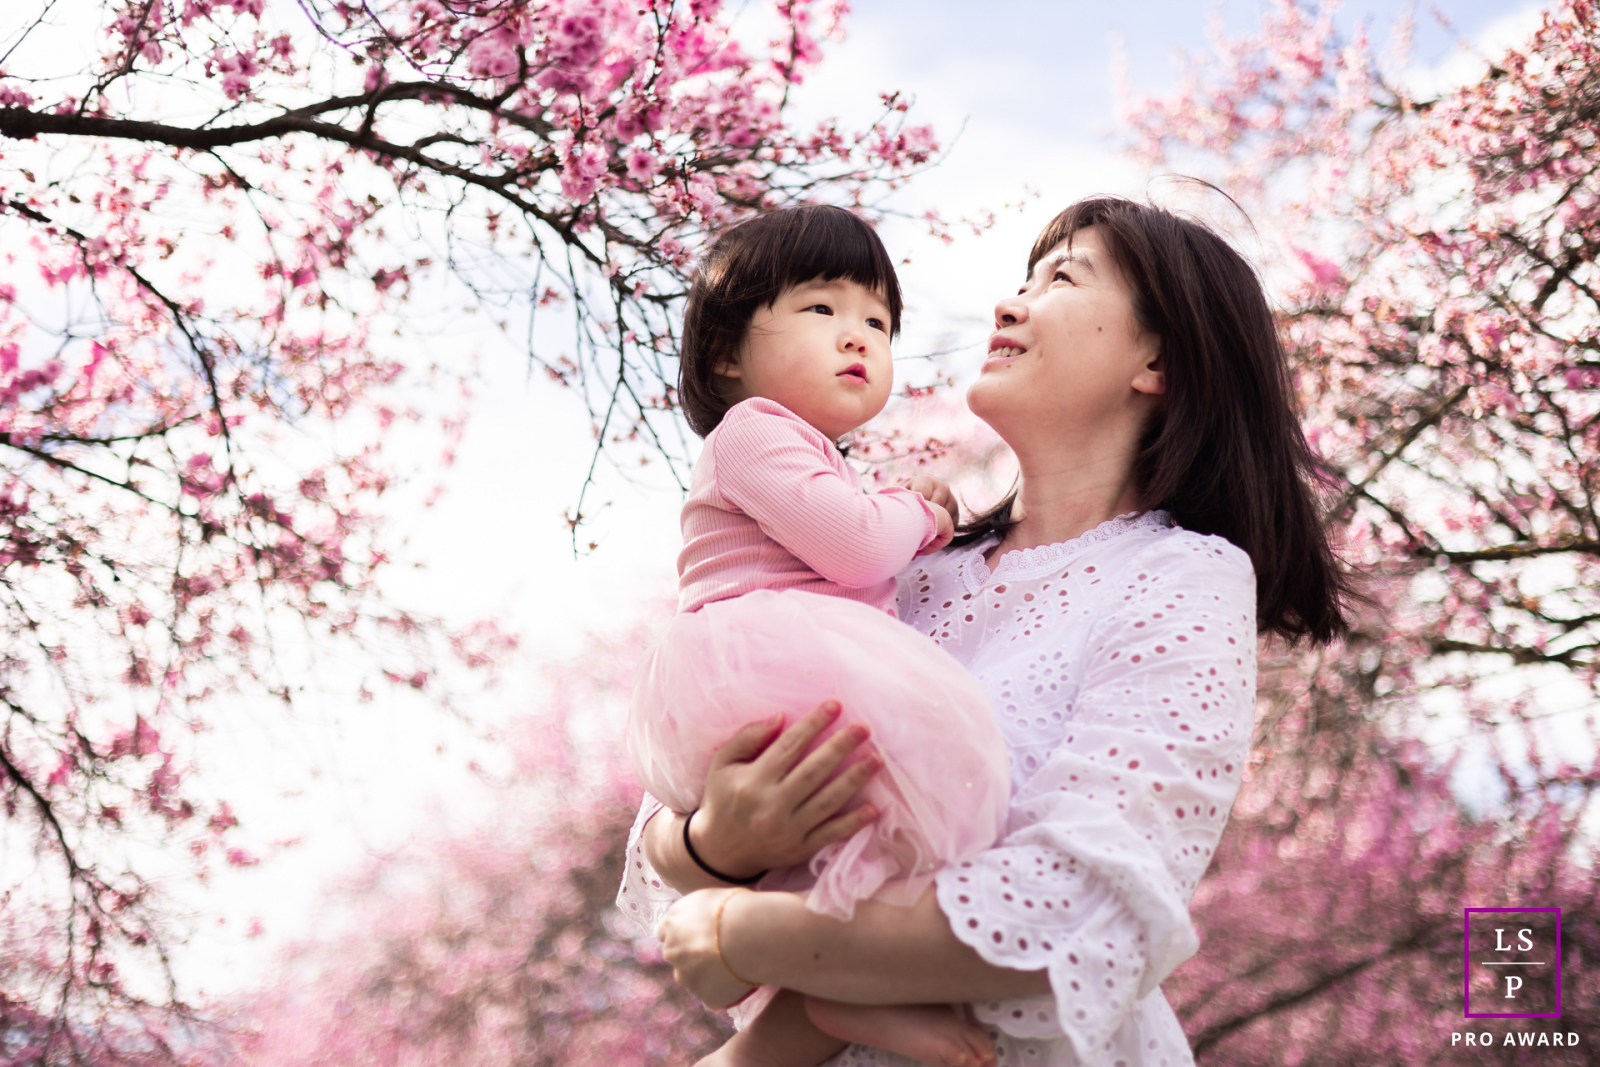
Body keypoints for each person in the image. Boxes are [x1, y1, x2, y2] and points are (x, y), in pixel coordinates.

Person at [623, 194, 1354, 1066]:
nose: (1008, 305)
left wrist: (745, 929)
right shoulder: (904, 574)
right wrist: (717, 843)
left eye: (1060, 279)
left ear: (1156, 359)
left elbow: (1086, 900)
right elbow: (668, 822)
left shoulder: (1178, 575)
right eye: (1020, 281)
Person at [625, 204, 1017, 1067]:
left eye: (877, 320)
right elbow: (858, 546)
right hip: (765, 661)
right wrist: (922, 510)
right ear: (729, 351)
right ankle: (837, 995)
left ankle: (838, 1000)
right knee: (889, 809)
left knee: (852, 839)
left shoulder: (807, 452)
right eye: (822, 309)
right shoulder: (753, 432)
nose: (859, 336)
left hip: (776, 663)